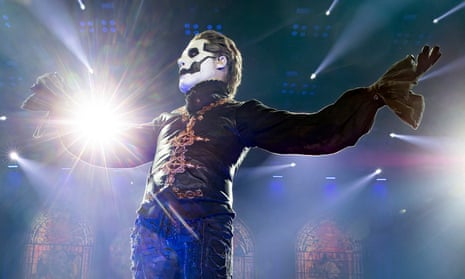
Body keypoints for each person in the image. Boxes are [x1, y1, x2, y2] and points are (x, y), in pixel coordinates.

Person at [21, 30, 441, 278]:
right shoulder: (163, 123)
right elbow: (112, 147)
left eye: (193, 53)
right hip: (149, 229)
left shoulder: (240, 115)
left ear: (220, 62)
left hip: (202, 228)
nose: (181, 60)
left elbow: (318, 130)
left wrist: (375, 94)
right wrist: (62, 114)